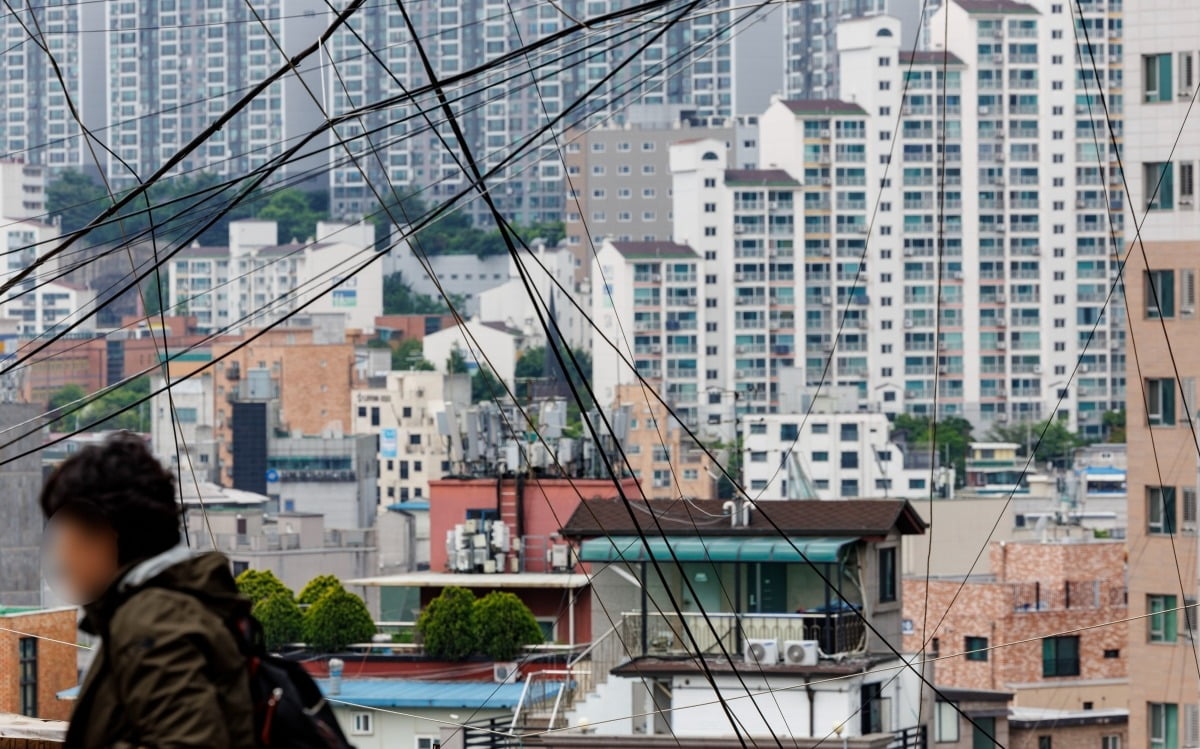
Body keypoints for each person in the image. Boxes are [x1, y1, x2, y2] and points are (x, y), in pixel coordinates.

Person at [41, 432, 256, 748]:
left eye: (64, 534)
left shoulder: (154, 620)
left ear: (104, 533)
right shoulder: (175, 603)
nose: (61, 554)